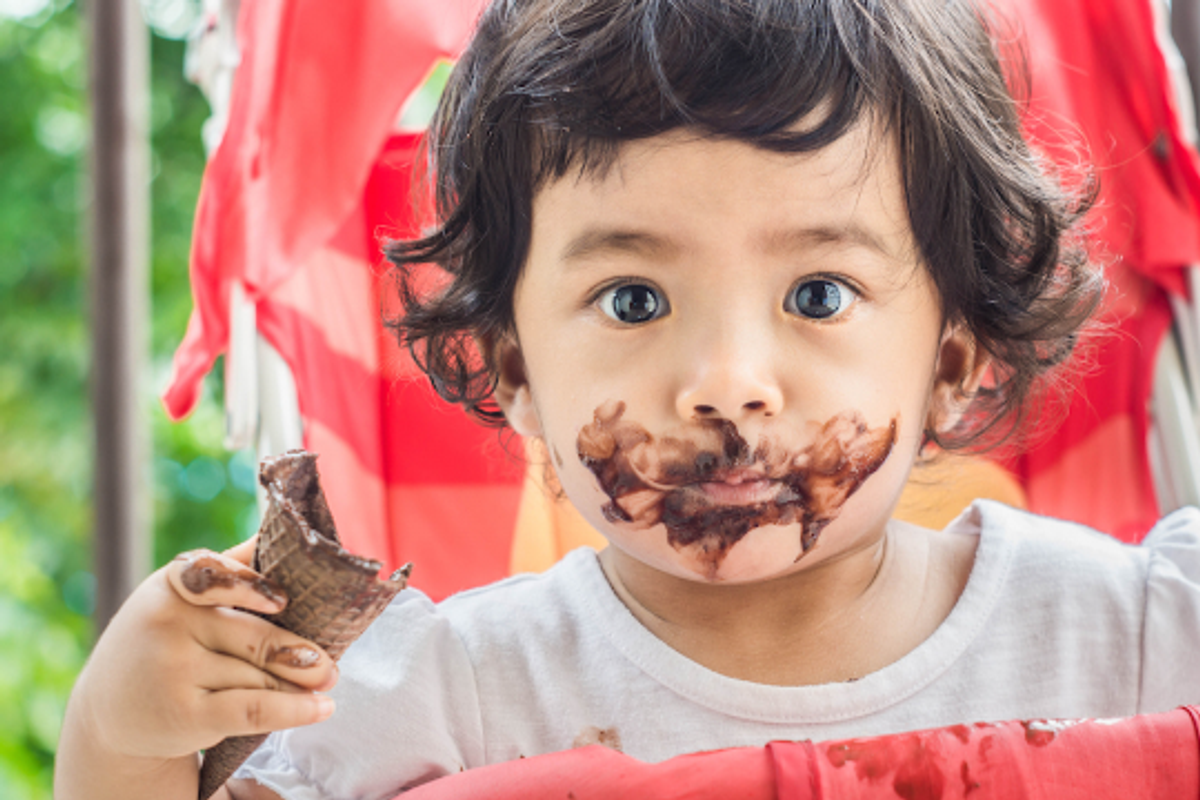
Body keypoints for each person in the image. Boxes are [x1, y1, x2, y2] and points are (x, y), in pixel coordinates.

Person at [55, 0, 1200, 798]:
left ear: (953, 357)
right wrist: (122, 735)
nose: (725, 383)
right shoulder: (444, 704)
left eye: (817, 290)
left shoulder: (1145, 637)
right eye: (635, 299)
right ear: (515, 375)